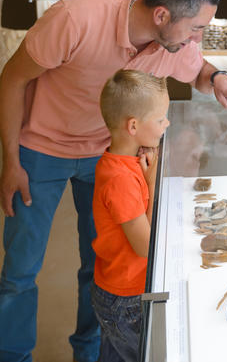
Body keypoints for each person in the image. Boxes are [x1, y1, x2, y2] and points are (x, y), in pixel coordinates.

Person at [0, 0, 227, 362]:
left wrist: (219, 78)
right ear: (161, 15)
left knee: (101, 265)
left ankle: (88, 352)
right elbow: (13, 79)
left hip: (106, 155)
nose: (199, 38)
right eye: (196, 28)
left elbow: (198, 70)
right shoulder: (76, 18)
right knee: (21, 271)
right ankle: (8, 356)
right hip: (42, 150)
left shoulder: (172, 43)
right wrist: (11, 160)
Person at [91, 69, 169, 362]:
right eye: (161, 119)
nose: (167, 123)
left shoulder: (121, 161)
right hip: (126, 298)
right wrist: (151, 183)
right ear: (133, 126)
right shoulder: (120, 179)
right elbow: (145, 247)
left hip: (115, 288)